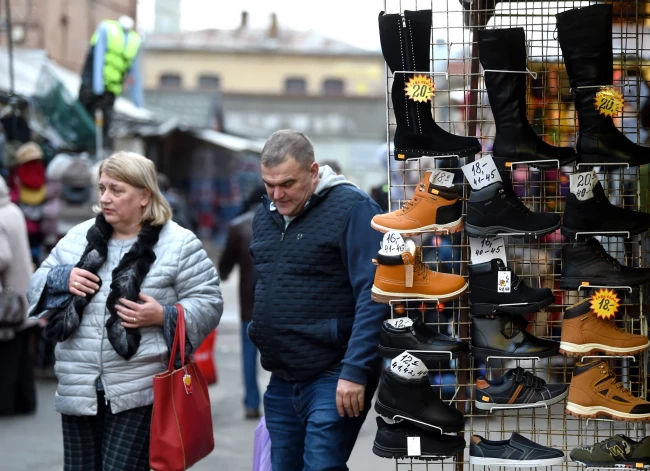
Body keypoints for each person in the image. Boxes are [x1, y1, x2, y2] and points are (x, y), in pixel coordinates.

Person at [26, 151, 223, 470]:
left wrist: (163, 315)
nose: (105, 198)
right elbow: (35, 286)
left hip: (139, 388)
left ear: (144, 195)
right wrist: (64, 277)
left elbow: (209, 302)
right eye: (102, 188)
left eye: (117, 190)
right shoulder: (79, 238)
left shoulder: (179, 243)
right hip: (79, 387)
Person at [248, 130, 389, 470]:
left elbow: (375, 295)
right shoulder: (265, 215)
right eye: (269, 184)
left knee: (321, 465)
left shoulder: (353, 208)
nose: (277, 194)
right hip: (282, 378)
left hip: (334, 373)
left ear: (313, 172)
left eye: (287, 183)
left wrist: (355, 371)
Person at [218, 185, 267, 420]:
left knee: (249, 355)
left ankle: (251, 402)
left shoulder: (238, 227)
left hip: (249, 304)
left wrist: (225, 273)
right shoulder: (281, 223)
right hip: (277, 304)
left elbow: (225, 265)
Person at [0, 174, 37, 415]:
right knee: (22, 354)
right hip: (22, 293)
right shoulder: (12, 209)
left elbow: (2, 257)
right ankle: (26, 402)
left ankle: (5, 404)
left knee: (6, 356)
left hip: (6, 298)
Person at [78, 16, 144, 147]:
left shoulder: (134, 40)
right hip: (91, 85)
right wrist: (97, 87)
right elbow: (98, 57)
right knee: (83, 118)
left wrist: (138, 102)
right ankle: (82, 146)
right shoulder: (106, 29)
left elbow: (134, 72)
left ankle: (98, 149)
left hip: (110, 91)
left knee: (104, 124)